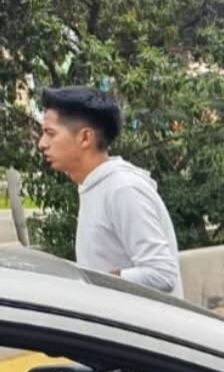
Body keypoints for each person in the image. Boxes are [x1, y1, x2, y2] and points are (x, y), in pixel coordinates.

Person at [36, 87, 181, 298]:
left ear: (85, 138)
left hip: (138, 320)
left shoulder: (123, 189)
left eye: (50, 133)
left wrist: (95, 282)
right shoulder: (95, 185)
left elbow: (163, 274)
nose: (42, 143)